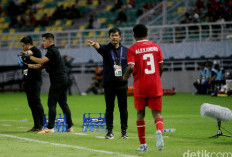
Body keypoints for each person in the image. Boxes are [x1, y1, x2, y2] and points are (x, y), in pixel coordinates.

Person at [123, 24, 164, 151]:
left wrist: (125, 77)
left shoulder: (132, 49)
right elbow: (161, 66)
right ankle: (159, 132)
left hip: (140, 86)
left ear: (134, 35)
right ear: (147, 34)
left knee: (140, 114)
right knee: (157, 113)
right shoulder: (156, 47)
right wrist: (157, 77)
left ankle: (143, 144)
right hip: (154, 84)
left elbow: (130, 67)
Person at [21, 33, 74, 133]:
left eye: (44, 41)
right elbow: (41, 66)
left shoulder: (52, 51)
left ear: (50, 41)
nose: (43, 43)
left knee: (51, 103)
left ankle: (50, 128)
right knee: (63, 103)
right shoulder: (52, 51)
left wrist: (29, 56)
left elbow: (41, 61)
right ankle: (70, 126)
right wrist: (28, 66)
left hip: (58, 79)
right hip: (63, 79)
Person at [87, 28, 128, 139]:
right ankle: (109, 131)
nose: (114, 37)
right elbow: (98, 46)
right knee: (109, 108)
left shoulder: (126, 50)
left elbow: (131, 65)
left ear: (120, 37)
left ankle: (124, 132)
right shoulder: (106, 49)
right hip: (109, 84)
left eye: (116, 35)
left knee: (123, 108)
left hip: (122, 84)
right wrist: (94, 43)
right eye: (112, 35)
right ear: (109, 37)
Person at [20, 36, 44, 132]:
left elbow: (29, 53)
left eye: (23, 46)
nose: (22, 47)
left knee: (36, 102)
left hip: (35, 80)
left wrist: (24, 55)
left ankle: (42, 124)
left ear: (28, 44)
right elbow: (24, 68)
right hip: (28, 81)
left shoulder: (36, 50)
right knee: (31, 104)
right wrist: (24, 78)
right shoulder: (25, 55)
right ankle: (36, 125)